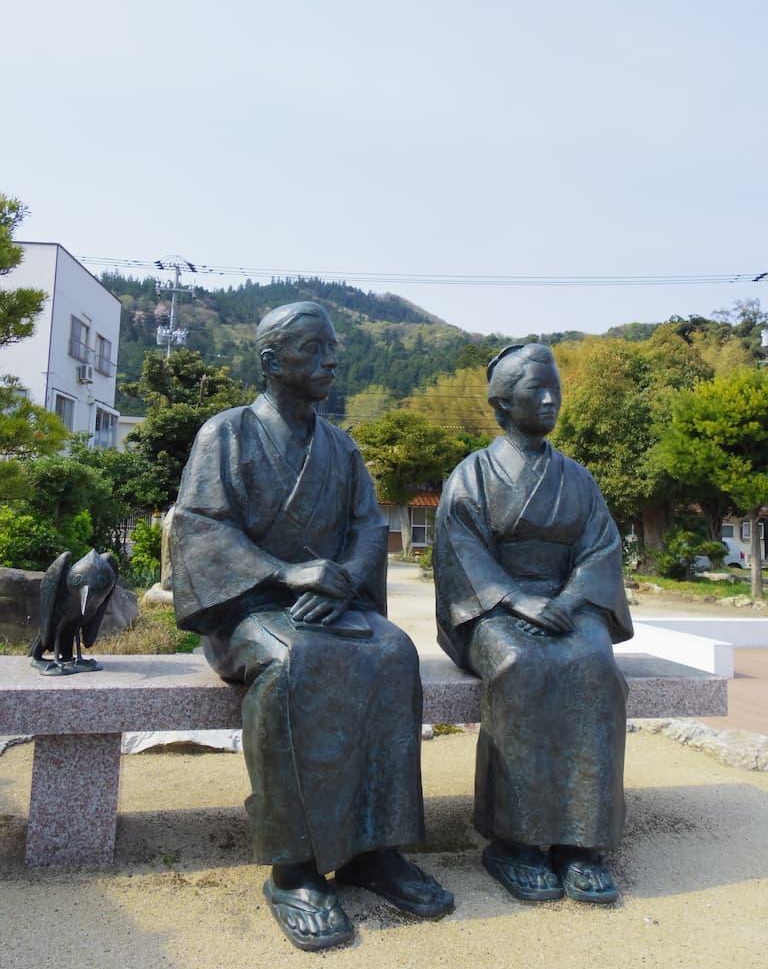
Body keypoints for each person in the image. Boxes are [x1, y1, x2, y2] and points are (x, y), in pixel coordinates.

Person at [171, 302, 453, 951]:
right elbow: (201, 530)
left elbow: (367, 528)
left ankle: (373, 850)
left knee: (394, 652)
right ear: (271, 362)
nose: (331, 360)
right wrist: (286, 573)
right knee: (292, 663)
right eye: (313, 348)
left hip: (331, 604)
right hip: (246, 609)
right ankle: (293, 868)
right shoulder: (226, 434)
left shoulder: (341, 447)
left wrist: (344, 580)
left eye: (333, 347)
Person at [433, 343, 633, 905]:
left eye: (555, 390)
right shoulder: (473, 474)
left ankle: (581, 841)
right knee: (521, 664)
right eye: (534, 391)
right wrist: (518, 600)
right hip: (494, 608)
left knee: (595, 668)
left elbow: (601, 548)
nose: (549, 400)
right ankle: (513, 841)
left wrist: (569, 599)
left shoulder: (577, 478)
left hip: (571, 602)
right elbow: (461, 553)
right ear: (501, 404)